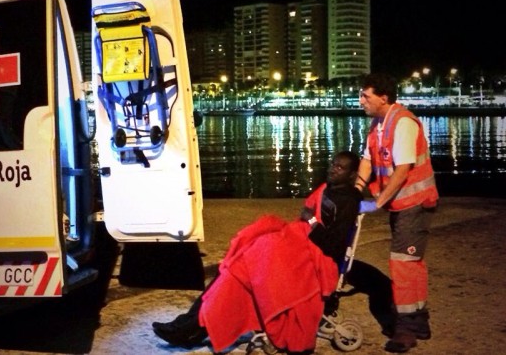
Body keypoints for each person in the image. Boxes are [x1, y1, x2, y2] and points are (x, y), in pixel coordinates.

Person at [152, 150, 363, 354]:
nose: (333, 169)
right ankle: (189, 324)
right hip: (301, 245)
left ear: (352, 174)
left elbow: (333, 244)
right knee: (236, 262)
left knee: (241, 269)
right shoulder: (329, 188)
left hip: (316, 258)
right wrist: (309, 221)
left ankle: (192, 329)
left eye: (340, 167)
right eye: (333, 164)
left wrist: (311, 220)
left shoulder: (348, 200)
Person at [355, 72, 438, 353]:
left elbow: (402, 171)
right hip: (402, 205)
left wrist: (376, 203)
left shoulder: (401, 124)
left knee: (402, 263)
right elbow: (367, 160)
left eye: (365, 96)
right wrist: (355, 191)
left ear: (383, 97)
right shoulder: (379, 125)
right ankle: (419, 321)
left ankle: (405, 329)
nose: (360, 101)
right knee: (411, 263)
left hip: (414, 204)